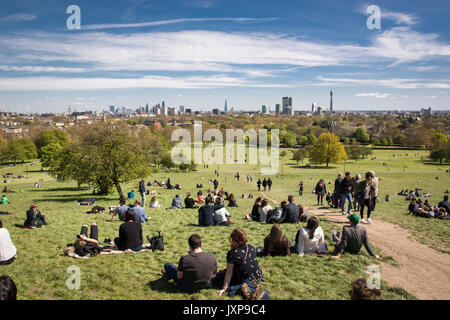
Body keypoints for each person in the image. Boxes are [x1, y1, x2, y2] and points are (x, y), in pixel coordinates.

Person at [217, 228, 268, 300]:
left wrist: (224, 288)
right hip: (257, 277)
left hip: (246, 280)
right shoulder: (251, 247)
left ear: (234, 240)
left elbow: (229, 272)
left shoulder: (232, 253)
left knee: (220, 277)